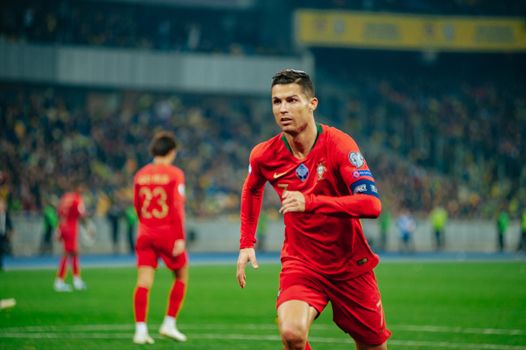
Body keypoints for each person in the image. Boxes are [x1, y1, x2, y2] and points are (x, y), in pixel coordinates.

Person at [236, 69, 390, 350]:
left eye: (292, 100)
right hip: (302, 264)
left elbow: (372, 205)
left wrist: (311, 202)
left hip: (350, 265)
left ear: (312, 104)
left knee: (373, 346)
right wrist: (246, 242)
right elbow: (252, 188)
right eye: (276, 101)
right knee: (292, 334)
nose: (282, 109)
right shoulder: (264, 154)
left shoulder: (339, 144)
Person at [132, 131, 188, 345]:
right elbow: (177, 207)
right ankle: (169, 324)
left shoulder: (140, 174)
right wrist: (179, 237)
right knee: (181, 276)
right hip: (167, 232)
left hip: (145, 233)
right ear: (172, 152)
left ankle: (140, 330)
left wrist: (146, 225)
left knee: (144, 282)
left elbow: (137, 205)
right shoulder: (175, 174)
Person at [54, 182, 92, 292]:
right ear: (77, 188)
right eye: (81, 187)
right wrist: (88, 227)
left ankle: (76, 280)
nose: (83, 189)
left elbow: (59, 212)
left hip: (63, 226)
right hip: (71, 228)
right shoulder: (77, 199)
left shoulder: (66, 197)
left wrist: (58, 229)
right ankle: (60, 281)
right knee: (67, 254)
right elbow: (82, 215)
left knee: (73, 253)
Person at [0, 198, 14, 271]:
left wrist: (12, 231)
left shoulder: (6, 213)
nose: (3, 206)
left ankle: (1, 264)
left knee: (1, 250)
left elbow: (9, 223)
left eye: (3, 204)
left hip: (2, 234)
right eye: (1, 204)